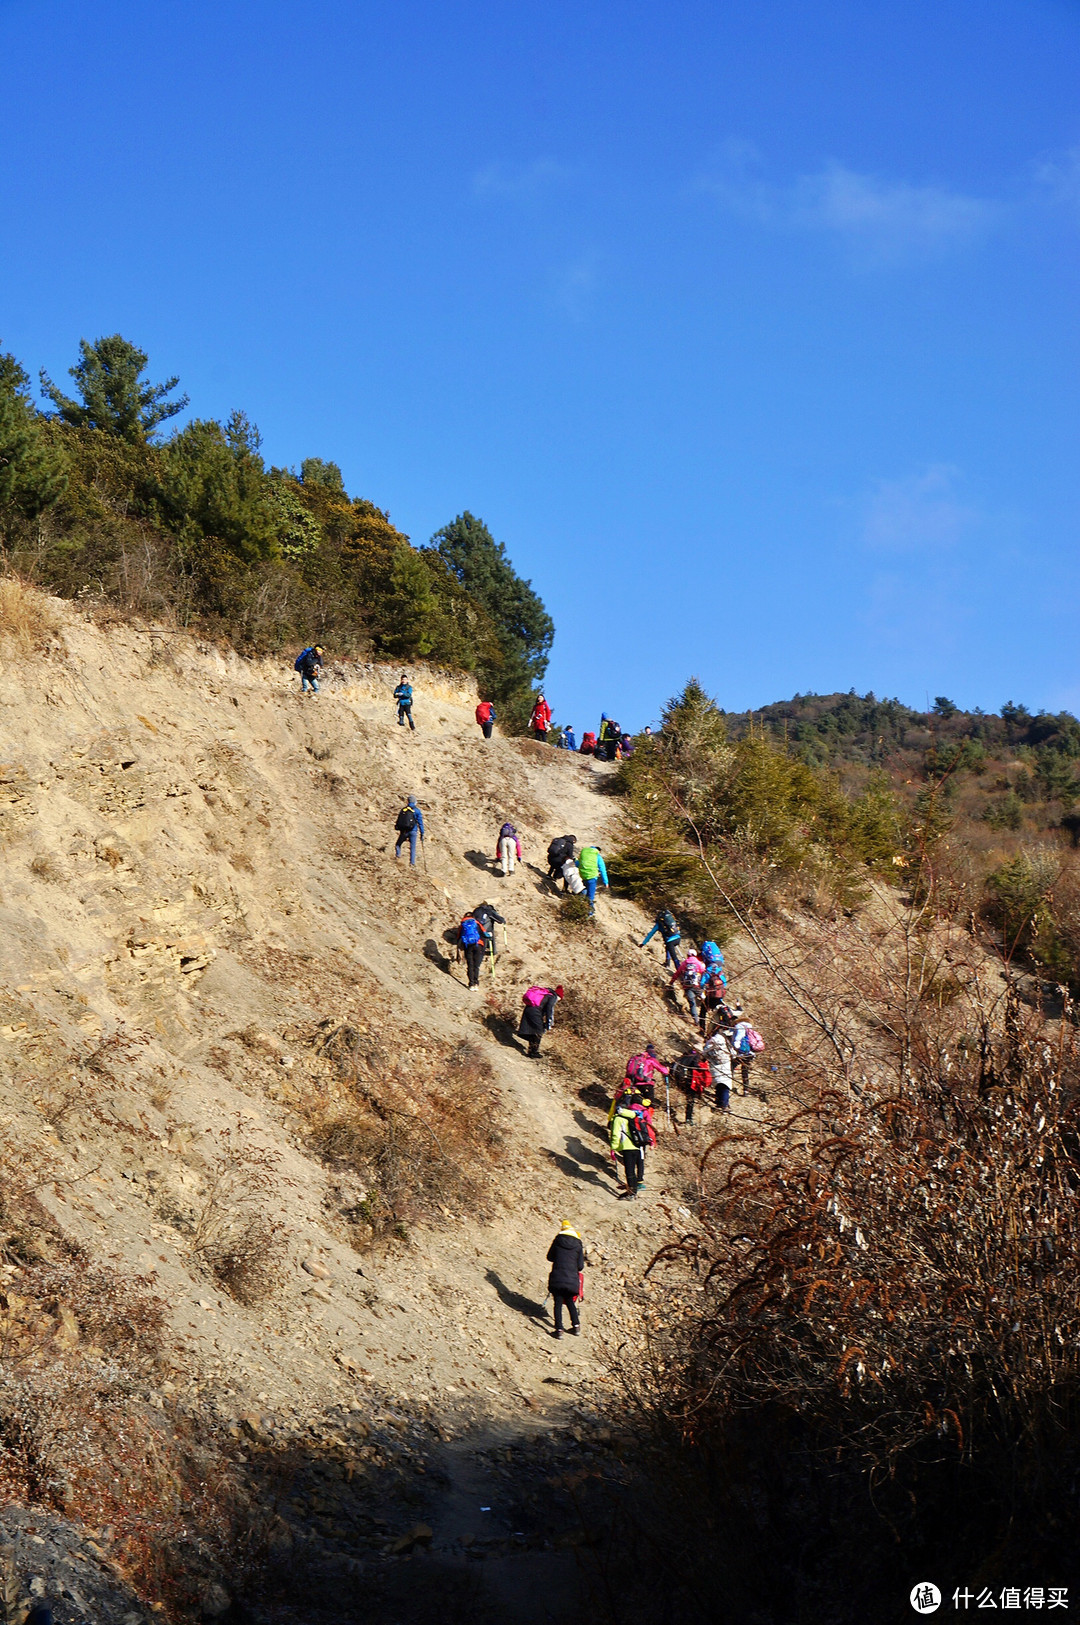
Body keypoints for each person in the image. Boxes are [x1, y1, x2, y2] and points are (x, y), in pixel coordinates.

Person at [546, 1220, 585, 1339]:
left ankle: (559, 1329)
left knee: (557, 1302)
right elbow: (580, 1266)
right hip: (572, 1279)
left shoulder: (558, 1240)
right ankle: (576, 1327)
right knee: (569, 1301)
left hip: (558, 1276)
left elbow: (550, 1257)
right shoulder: (578, 1244)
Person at [609, 1089, 648, 1198]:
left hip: (627, 1147)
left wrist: (614, 1147)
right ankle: (634, 1191)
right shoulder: (633, 1116)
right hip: (637, 1145)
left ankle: (631, 1193)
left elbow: (616, 1135)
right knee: (633, 1170)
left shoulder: (618, 1119)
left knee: (629, 1171)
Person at [518, 984, 562, 1058]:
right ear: (559, 996)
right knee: (539, 1031)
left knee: (533, 1030)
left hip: (529, 1009)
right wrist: (549, 1023)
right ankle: (533, 1052)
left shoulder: (546, 994)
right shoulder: (553, 997)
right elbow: (549, 1010)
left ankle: (531, 1050)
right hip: (535, 1011)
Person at [674, 1048, 712, 1124]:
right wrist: (703, 1067)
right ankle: (688, 1118)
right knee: (690, 1099)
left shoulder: (681, 1058)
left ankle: (687, 1117)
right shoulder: (695, 1056)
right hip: (690, 1080)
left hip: (680, 1080)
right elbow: (695, 1065)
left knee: (688, 1098)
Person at [703, 1026, 734, 1113]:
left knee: (718, 1085)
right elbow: (733, 1053)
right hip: (726, 1065)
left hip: (714, 1066)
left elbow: (704, 1053)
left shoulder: (711, 1041)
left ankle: (718, 1103)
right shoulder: (726, 1042)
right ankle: (724, 1105)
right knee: (725, 1086)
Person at [669, 951, 705, 1024]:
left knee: (692, 1003)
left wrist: (671, 982)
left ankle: (696, 1019)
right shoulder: (698, 963)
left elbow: (677, 973)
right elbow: (704, 972)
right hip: (697, 986)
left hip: (688, 987)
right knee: (704, 1003)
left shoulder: (685, 963)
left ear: (687, 955)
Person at [457, 911, 488, 989]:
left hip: (468, 946)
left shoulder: (463, 924)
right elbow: (485, 933)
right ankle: (476, 983)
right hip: (478, 945)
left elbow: (459, 936)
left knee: (470, 965)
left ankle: (471, 984)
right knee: (476, 966)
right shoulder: (476, 922)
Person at [577, 844, 608, 916]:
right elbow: (602, 869)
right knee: (590, 896)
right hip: (592, 878)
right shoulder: (597, 856)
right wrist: (605, 882)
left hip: (583, 876)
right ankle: (590, 914)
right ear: (598, 851)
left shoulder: (585, 854)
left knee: (585, 891)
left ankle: (580, 906)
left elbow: (578, 863)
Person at [393, 795, 425, 865]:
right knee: (412, 848)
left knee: (398, 845)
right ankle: (412, 864)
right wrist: (422, 833)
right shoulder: (417, 810)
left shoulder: (403, 810)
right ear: (415, 802)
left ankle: (398, 857)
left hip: (404, 831)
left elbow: (399, 820)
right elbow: (420, 823)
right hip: (413, 831)